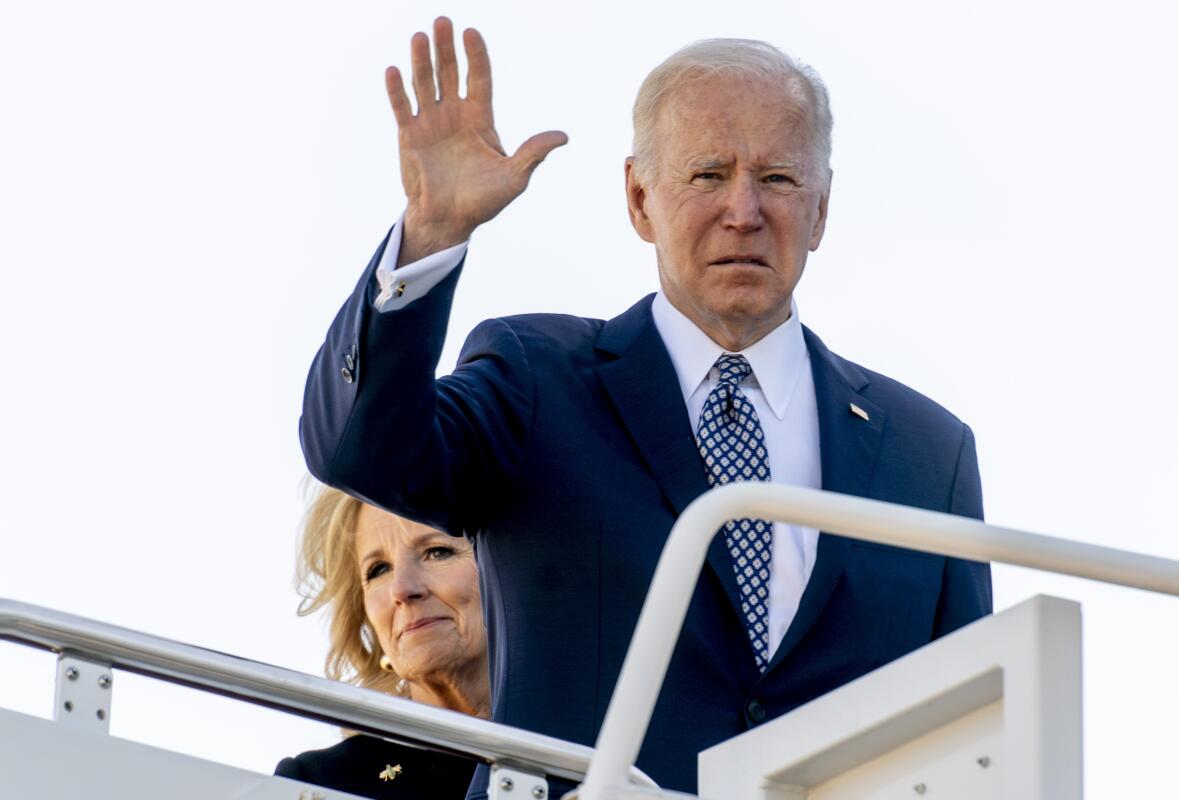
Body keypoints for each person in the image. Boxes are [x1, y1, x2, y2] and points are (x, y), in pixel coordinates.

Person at [299, 18, 992, 798]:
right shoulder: (539, 382)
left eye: (777, 179)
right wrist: (433, 230)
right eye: (707, 175)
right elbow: (359, 450)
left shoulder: (928, 454)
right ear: (639, 198)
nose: (743, 212)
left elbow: (967, 739)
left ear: (822, 209)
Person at [274, 484, 485, 799]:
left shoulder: (582, 751)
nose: (401, 590)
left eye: (438, 551)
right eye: (378, 570)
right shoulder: (317, 783)